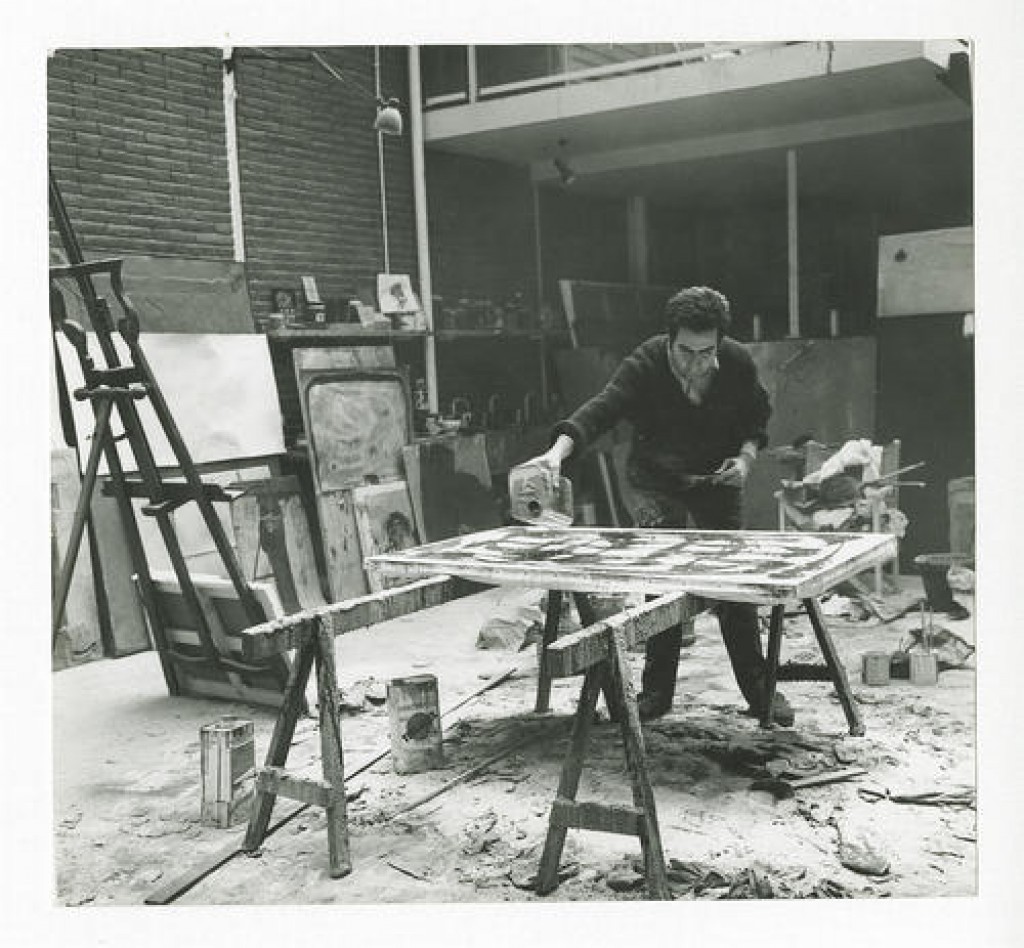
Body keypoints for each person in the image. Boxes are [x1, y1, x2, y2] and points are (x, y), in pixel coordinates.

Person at [526, 285, 793, 725]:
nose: (697, 363)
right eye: (686, 352)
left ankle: (760, 692)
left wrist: (746, 460)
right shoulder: (646, 363)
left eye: (707, 353)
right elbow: (601, 410)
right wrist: (556, 454)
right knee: (663, 582)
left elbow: (756, 416)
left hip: (716, 479)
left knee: (734, 585)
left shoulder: (736, 362)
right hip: (656, 480)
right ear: (670, 339)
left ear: (719, 343)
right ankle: (655, 694)